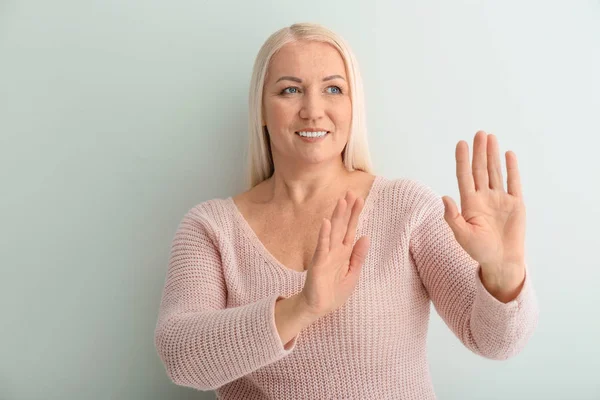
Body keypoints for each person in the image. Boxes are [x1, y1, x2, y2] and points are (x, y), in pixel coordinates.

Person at [153, 22, 539, 399]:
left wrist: (504, 275)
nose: (313, 110)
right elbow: (180, 357)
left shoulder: (406, 208)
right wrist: (303, 307)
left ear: (354, 107)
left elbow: (494, 342)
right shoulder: (211, 227)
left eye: (333, 89)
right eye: (290, 90)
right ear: (261, 110)